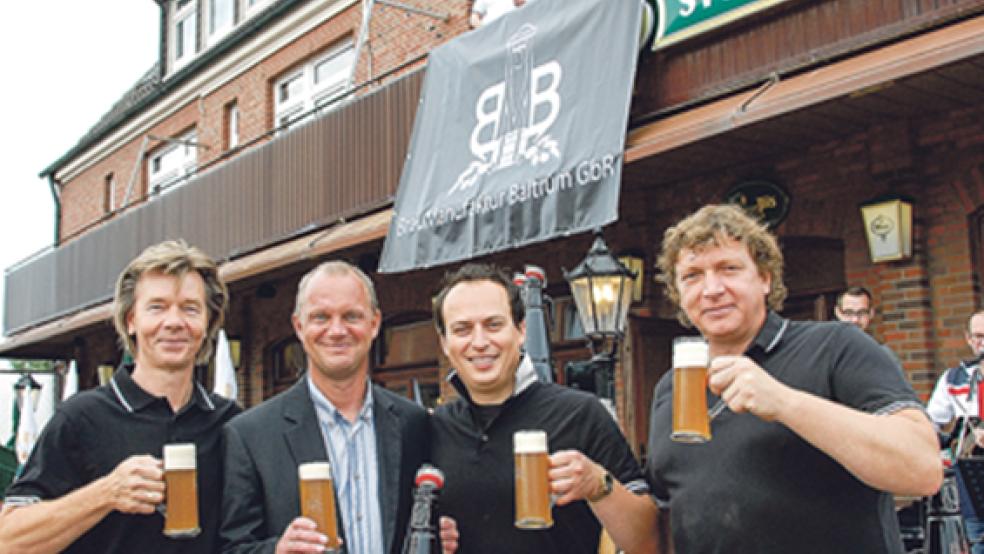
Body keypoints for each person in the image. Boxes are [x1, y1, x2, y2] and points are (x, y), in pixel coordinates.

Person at [598, 204, 942, 553]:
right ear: (679, 294)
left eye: (728, 268)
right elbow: (666, 527)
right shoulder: (670, 388)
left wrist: (783, 402)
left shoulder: (836, 346)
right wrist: (598, 486)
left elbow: (922, 469)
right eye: (692, 276)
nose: (711, 288)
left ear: (764, 278)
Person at [0, 240, 240, 553]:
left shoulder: (231, 423)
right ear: (131, 320)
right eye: (157, 307)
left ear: (207, 323)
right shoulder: (81, 417)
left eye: (190, 309)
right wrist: (104, 494)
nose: (174, 322)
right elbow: (9, 539)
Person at [220, 261, 457, 554]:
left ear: (374, 324)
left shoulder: (414, 423)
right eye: (321, 317)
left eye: (351, 316)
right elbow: (231, 547)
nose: (337, 330)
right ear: (298, 326)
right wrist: (277, 551)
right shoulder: (250, 436)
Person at [428, 263, 651, 554]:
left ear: (521, 330)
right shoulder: (432, 428)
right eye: (462, 329)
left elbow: (650, 541)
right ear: (445, 343)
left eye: (493, 325)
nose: (480, 342)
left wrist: (600, 485)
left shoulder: (581, 413)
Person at [926, 310, 984, 552]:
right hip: (975, 487)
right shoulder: (954, 379)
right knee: (978, 541)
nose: (983, 343)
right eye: (978, 336)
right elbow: (929, 423)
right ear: (968, 339)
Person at [835, 285, 902, 368]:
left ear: (871, 313)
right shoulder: (827, 355)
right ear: (838, 312)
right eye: (849, 312)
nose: (855, 319)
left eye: (862, 312)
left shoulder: (885, 356)